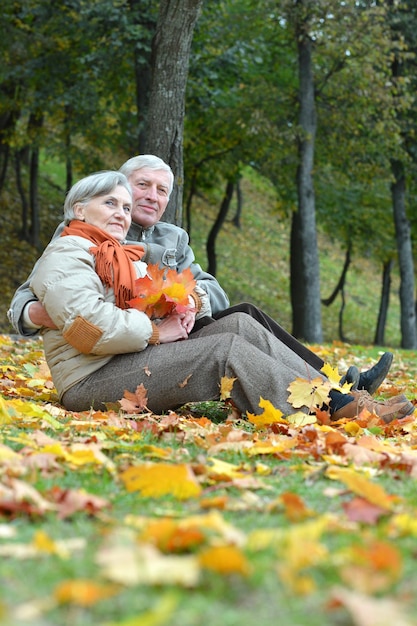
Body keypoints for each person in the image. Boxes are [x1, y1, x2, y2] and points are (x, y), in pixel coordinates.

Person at [24, 170, 414, 424]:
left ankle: (340, 396)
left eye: (126, 207)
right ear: (79, 209)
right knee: (222, 351)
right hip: (89, 380)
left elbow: (147, 300)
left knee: (240, 322)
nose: (123, 214)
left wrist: (178, 306)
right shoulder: (68, 253)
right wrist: (159, 332)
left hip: (123, 357)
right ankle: (334, 412)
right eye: (110, 204)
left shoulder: (118, 255)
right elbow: (88, 329)